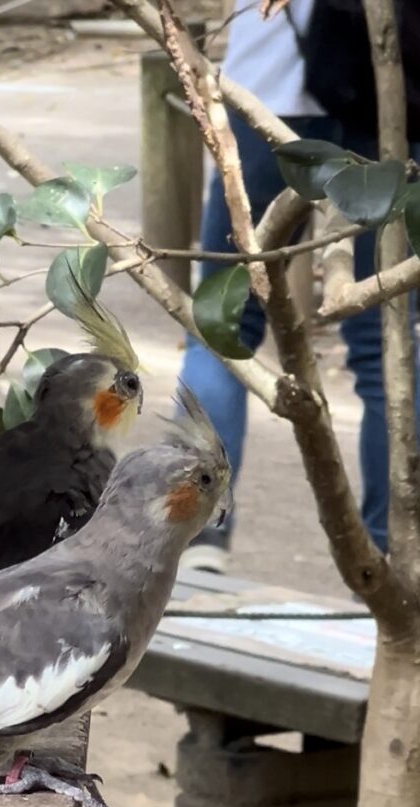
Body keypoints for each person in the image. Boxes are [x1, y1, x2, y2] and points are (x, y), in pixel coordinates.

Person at [179, 0, 417, 573]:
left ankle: (195, 534)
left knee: (224, 326)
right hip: (386, 110)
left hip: (269, 97)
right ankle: (393, 550)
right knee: (385, 340)